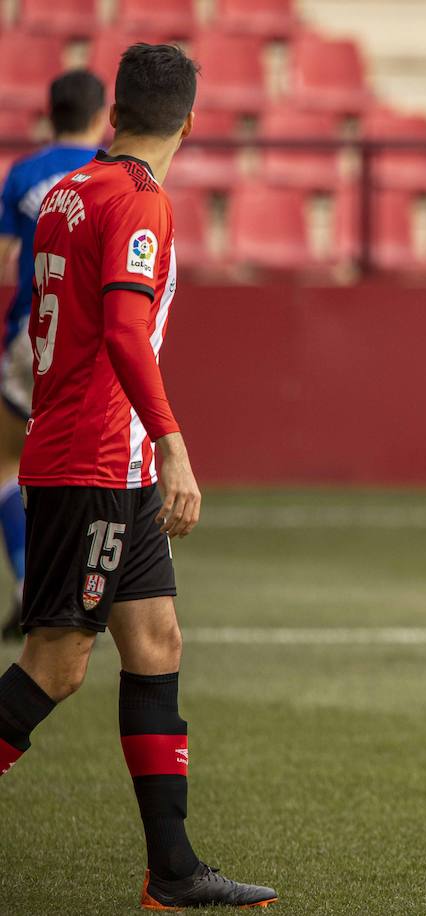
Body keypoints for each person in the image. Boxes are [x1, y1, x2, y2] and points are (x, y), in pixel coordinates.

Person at [0, 43, 277, 910]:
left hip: (96, 459)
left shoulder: (71, 190)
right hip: (94, 462)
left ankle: (174, 871)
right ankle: (173, 870)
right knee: (56, 665)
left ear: (115, 112)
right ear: (190, 123)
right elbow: (124, 331)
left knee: (156, 643)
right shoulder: (139, 200)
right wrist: (175, 444)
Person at [0, 70, 108, 640]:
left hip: (33, 332)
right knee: (95, 463)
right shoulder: (113, 170)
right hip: (95, 337)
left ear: (51, 114)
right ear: (103, 115)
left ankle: (29, 582)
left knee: (9, 462)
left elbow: (3, 256)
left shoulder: (23, 173)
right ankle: (93, 586)